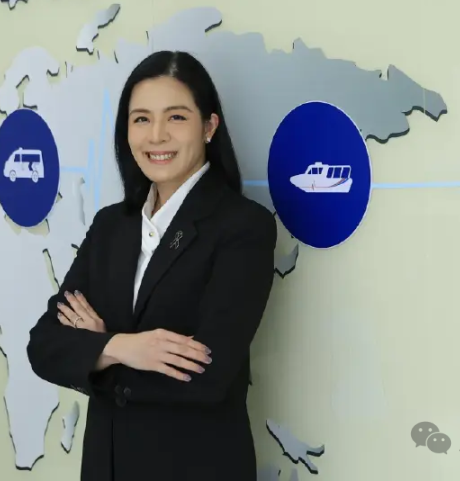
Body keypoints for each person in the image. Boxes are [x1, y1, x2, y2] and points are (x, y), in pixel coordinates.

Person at [26, 49, 278, 481]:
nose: (156, 135)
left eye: (176, 117)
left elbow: (208, 377)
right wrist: (123, 347)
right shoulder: (112, 226)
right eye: (141, 119)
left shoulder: (242, 227)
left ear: (209, 127)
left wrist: (95, 350)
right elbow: (45, 345)